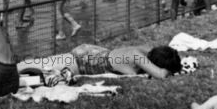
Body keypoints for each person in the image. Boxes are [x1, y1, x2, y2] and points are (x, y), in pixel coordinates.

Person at [17, 43, 182, 79]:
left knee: (34, 66)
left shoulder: (145, 50)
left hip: (91, 54)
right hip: (80, 61)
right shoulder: (137, 56)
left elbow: (159, 50)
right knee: (27, 67)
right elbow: (161, 74)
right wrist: (171, 69)